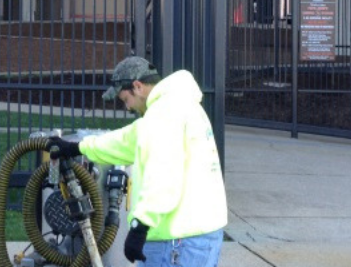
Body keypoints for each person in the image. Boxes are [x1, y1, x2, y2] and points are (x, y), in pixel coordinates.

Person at [46, 56, 227, 267]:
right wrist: (78, 147)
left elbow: (164, 173)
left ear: (138, 86)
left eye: (125, 99)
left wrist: (141, 225)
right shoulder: (179, 106)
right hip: (198, 233)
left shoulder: (164, 114)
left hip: (175, 240)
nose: (127, 107)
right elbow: (127, 140)